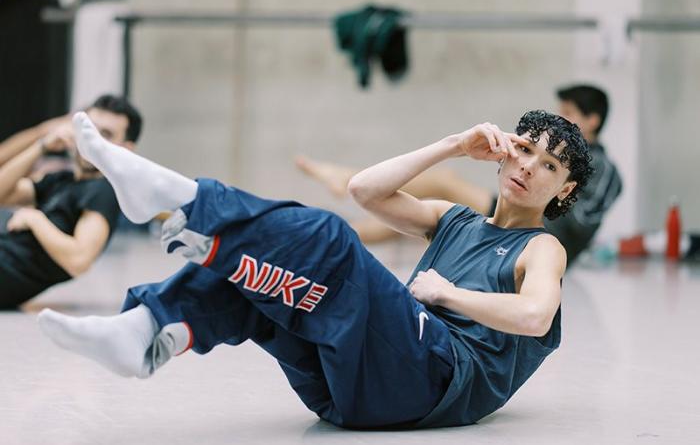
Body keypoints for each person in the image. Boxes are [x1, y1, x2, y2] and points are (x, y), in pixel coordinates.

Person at [38, 109, 592, 428]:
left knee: (329, 239)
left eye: (549, 165)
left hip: (434, 378)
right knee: (262, 288)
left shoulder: (542, 248)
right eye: (524, 149)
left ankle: (182, 201)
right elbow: (364, 190)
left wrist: (448, 295)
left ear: (563, 188)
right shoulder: (456, 220)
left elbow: (535, 316)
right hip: (346, 391)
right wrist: (452, 145)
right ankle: (146, 331)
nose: (527, 167)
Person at [296, 84, 621, 264]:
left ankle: (341, 199)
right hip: (525, 218)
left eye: (568, 113)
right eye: (524, 151)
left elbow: (579, 225)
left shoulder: (602, 170)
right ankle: (334, 235)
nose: (528, 164)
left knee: (443, 183)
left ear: (592, 120)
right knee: (418, 219)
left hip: (542, 223)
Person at [0, 95, 142, 309]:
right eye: (88, 129)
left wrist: (36, 220)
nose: (92, 139)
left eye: (106, 134)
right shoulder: (63, 180)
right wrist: (41, 146)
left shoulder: (104, 190)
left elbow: (79, 260)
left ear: (126, 148)